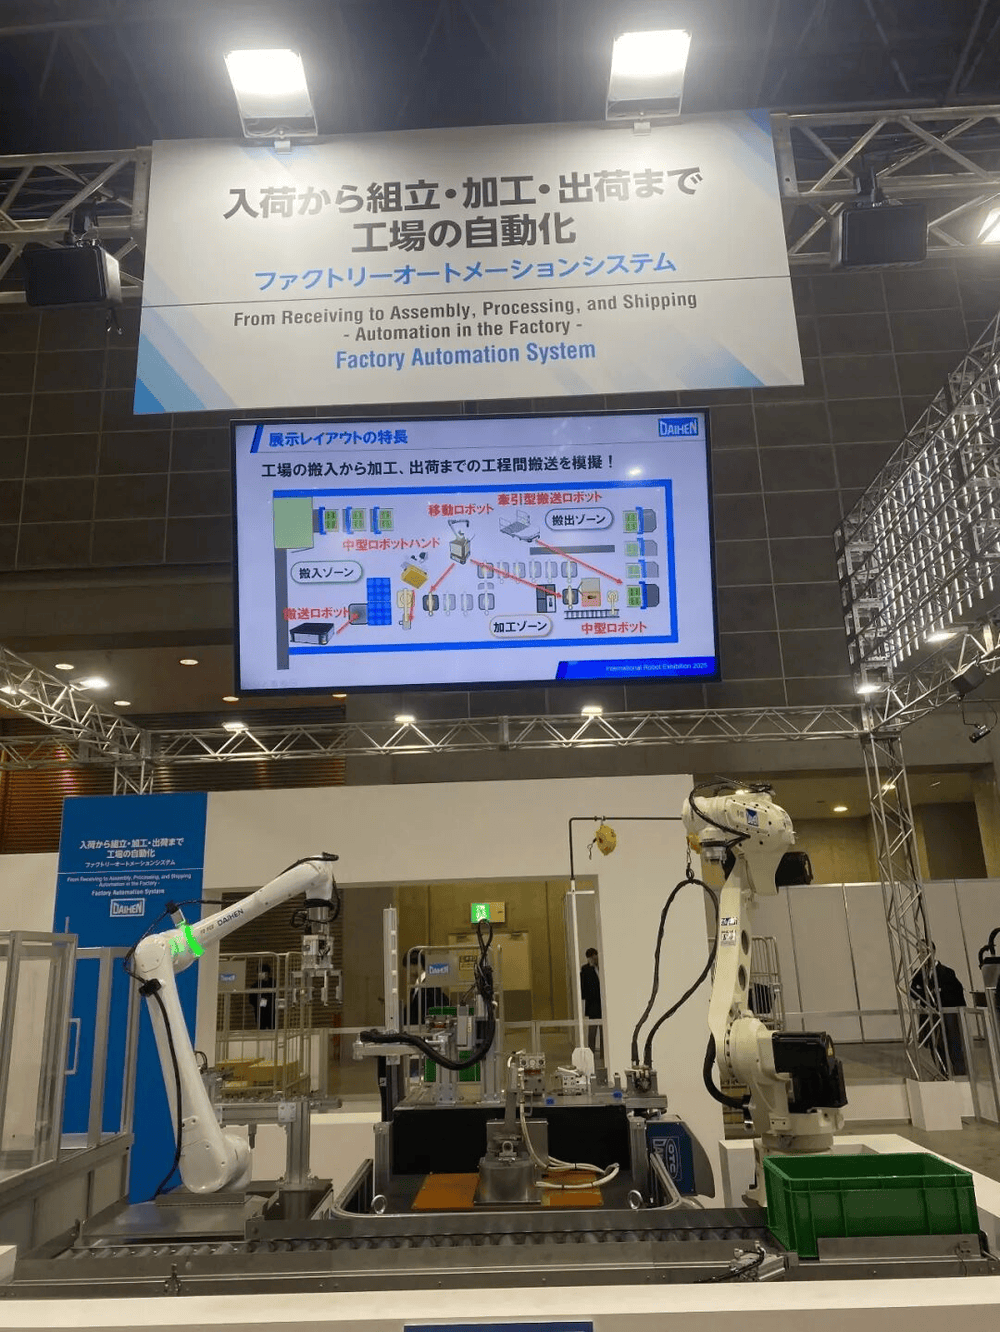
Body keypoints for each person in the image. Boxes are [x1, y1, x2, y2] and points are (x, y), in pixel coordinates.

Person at [910, 945, 967, 1076]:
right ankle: (943, 1075)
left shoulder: (947, 972)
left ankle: (960, 1076)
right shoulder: (917, 973)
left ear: (932, 951)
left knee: (954, 1048)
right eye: (918, 952)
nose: (921, 955)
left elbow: (955, 994)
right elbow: (913, 993)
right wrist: (932, 993)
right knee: (936, 1048)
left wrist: (932, 994)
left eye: (923, 951)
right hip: (929, 1018)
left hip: (947, 1017)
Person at [580, 947, 602, 1058]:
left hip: (603, 1004)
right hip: (593, 1005)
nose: (595, 959)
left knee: (604, 1031)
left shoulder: (602, 966)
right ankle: (591, 1053)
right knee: (592, 1031)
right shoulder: (585, 969)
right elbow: (583, 988)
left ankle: (604, 1053)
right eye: (592, 957)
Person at [249, 962, 276, 1031]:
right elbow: (251, 999)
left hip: (271, 1011)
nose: (260, 974)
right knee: (261, 1029)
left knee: (273, 1028)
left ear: (267, 973)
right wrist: (260, 1002)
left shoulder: (273, 983)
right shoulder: (255, 985)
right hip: (260, 1012)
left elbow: (276, 996)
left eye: (262, 972)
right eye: (259, 972)